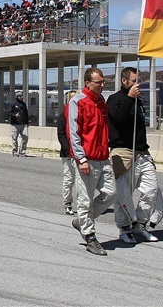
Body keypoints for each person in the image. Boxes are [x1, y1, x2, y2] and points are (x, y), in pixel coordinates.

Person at [107, 67, 162, 244]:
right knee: (124, 194)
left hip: (142, 152)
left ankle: (140, 223)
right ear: (124, 81)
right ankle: (124, 227)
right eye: (134, 80)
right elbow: (118, 118)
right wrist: (130, 98)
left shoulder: (139, 101)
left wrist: (134, 99)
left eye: (139, 80)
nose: (138, 84)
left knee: (151, 190)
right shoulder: (115, 99)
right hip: (123, 152)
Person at [68, 68, 116, 256]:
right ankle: (89, 235)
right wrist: (81, 159)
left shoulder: (101, 102)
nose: (102, 85)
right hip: (86, 159)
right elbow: (74, 132)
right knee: (84, 200)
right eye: (99, 82)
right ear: (88, 82)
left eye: (103, 82)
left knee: (111, 193)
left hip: (103, 157)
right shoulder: (77, 101)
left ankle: (82, 220)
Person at [58, 90, 78, 215]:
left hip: (81, 152)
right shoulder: (63, 116)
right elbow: (61, 135)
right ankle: (68, 202)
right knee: (69, 179)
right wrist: (69, 150)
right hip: (68, 153)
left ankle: (84, 203)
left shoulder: (81, 115)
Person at [8, 90, 30, 156]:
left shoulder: (23, 104)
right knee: (15, 137)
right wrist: (15, 115)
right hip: (15, 124)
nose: (21, 97)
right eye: (20, 96)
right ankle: (14, 151)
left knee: (25, 137)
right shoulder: (13, 104)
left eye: (22, 96)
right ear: (17, 96)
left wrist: (27, 122)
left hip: (23, 124)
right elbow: (9, 113)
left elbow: (26, 114)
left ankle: (22, 151)